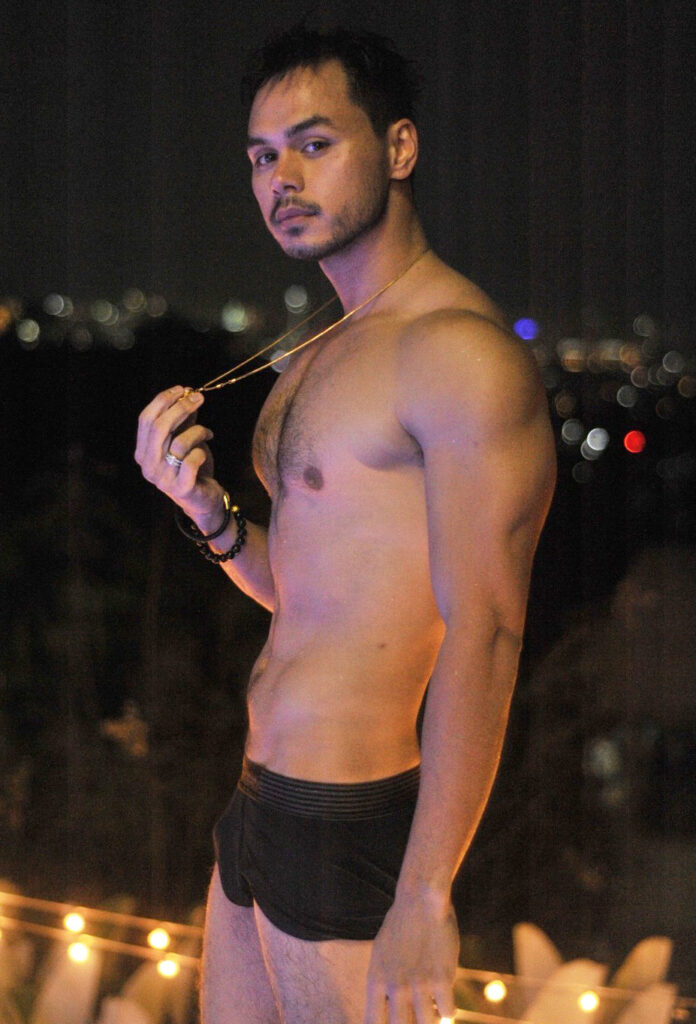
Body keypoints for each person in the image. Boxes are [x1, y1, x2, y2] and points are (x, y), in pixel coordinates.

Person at [135, 24, 556, 1024]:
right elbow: (308, 595)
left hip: (347, 825)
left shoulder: (459, 355)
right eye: (261, 156)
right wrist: (207, 512)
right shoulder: (324, 348)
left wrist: (424, 892)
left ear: (399, 148)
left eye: (314, 144)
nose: (281, 178)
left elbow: (489, 631)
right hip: (256, 801)